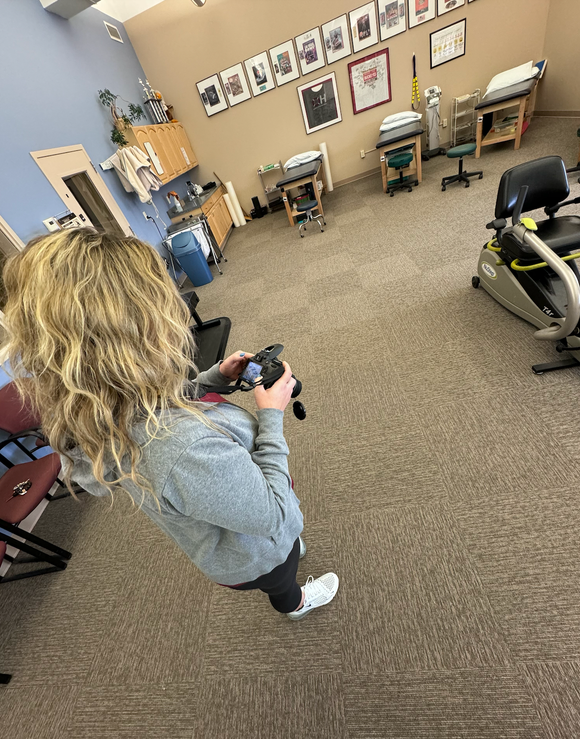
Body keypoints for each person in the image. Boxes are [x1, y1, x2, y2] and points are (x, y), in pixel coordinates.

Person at [2, 229, 339, 620]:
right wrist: (271, 416)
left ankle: (288, 558)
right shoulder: (182, 449)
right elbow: (277, 516)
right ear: (135, 330)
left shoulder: (104, 404)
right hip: (256, 552)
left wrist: (213, 378)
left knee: (285, 549)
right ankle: (295, 603)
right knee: (282, 573)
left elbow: (162, 404)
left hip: (230, 533)